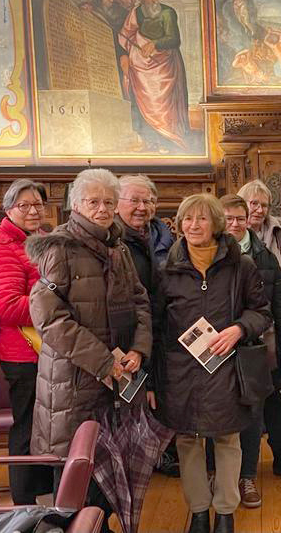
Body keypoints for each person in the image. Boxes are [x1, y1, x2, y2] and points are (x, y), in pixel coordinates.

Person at [25, 169, 151, 526]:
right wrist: (102, 361)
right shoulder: (59, 248)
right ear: (76, 204)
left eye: (109, 202)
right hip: (73, 382)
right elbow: (49, 319)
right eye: (93, 202)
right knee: (73, 474)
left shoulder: (119, 247)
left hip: (117, 378)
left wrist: (138, 350)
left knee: (108, 467)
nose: (102, 209)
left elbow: (141, 302)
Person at [158, 193, 272, 533]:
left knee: (227, 439)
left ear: (217, 224)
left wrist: (238, 329)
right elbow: (154, 323)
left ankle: (225, 511)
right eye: (188, 219)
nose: (194, 225)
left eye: (202, 218)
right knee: (188, 442)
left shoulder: (242, 265)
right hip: (180, 370)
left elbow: (261, 312)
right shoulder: (166, 269)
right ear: (179, 224)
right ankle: (198, 511)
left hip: (226, 364)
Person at [220, 194, 281, 511]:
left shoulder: (265, 257)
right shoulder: (208, 254)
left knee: (263, 412)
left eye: (239, 218)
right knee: (232, 416)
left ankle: (249, 476)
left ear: (248, 220)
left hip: (264, 345)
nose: (234, 224)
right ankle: (226, 478)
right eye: (227, 218)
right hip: (223, 347)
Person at [0, 178, 52, 505]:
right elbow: (7, 307)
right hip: (23, 353)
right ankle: (23, 507)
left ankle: (43, 500)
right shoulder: (2, 247)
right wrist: (56, 305)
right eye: (24, 205)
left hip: (45, 351)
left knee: (47, 429)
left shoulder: (38, 239)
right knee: (26, 430)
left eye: (38, 204)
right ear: (9, 209)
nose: (33, 210)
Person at [115, 174, 178, 478]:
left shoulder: (165, 238)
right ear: (116, 204)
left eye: (149, 200)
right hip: (127, 339)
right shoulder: (113, 241)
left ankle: (159, 456)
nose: (142, 207)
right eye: (134, 200)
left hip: (162, 330)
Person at [118, 0, 192, 150]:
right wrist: (126, 54)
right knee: (142, 102)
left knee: (166, 107)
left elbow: (174, 39)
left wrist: (155, 44)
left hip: (165, 67)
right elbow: (125, 35)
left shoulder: (168, 12)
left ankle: (170, 141)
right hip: (140, 67)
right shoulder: (136, 13)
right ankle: (150, 142)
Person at [239, 179, 281, 327]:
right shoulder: (227, 235)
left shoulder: (278, 233)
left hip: (274, 324)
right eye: (254, 203)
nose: (260, 210)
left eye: (264, 205)